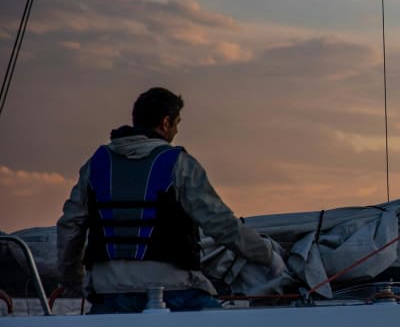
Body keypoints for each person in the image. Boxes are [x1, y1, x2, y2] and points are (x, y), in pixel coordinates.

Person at [57, 87, 276, 313]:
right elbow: (222, 225)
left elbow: (70, 226)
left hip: (107, 291)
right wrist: (268, 255)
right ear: (165, 122)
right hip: (174, 290)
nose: (177, 131)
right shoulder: (179, 165)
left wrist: (72, 280)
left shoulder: (95, 165)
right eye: (177, 124)